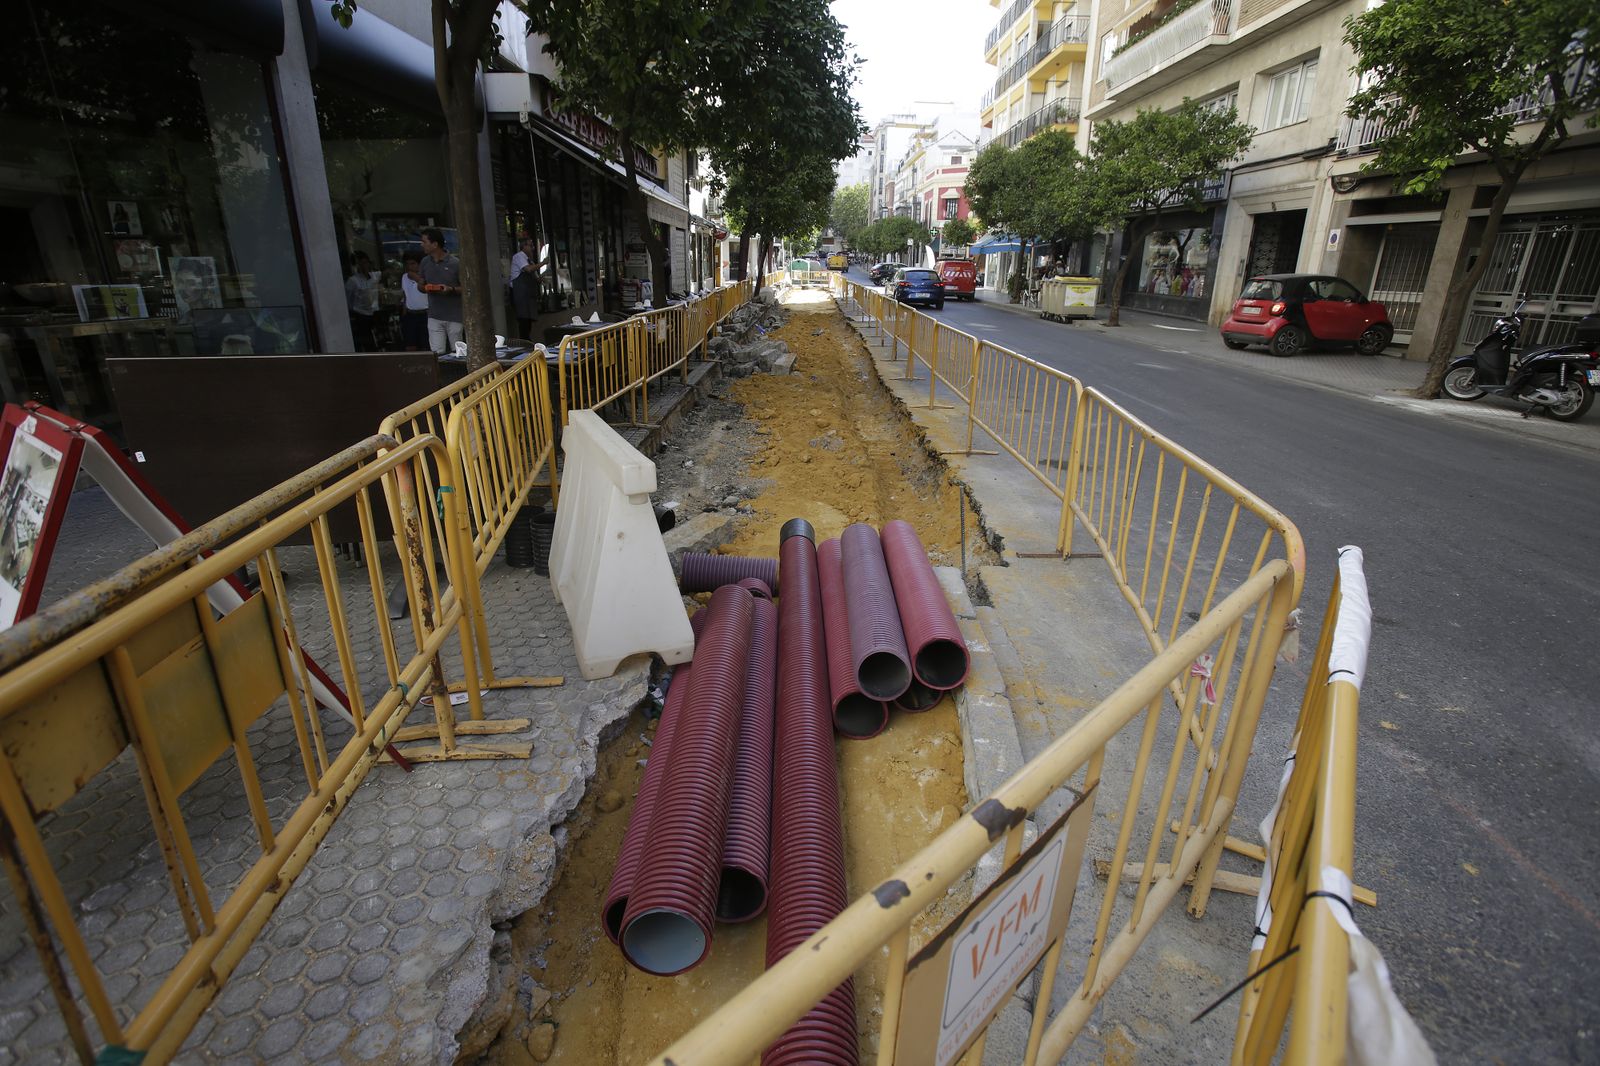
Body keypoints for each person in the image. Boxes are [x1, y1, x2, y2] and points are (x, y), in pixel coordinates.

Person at [418, 227, 464, 355]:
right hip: (434, 315)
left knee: (458, 351)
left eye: (424, 242)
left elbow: (466, 288)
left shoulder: (455, 263)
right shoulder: (425, 262)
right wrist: (424, 287)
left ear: (435, 244)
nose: (422, 245)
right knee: (436, 353)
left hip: (455, 315)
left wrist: (451, 289)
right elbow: (420, 285)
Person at [345, 251, 379, 351]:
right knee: (366, 339)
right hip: (361, 314)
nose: (364, 266)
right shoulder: (353, 281)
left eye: (365, 262)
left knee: (377, 336)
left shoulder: (375, 276)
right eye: (361, 263)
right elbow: (348, 299)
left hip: (374, 312)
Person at [399, 252, 429, 350]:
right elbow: (405, 294)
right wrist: (404, 312)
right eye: (407, 264)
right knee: (410, 344)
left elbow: (426, 287)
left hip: (425, 314)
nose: (409, 267)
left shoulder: (426, 276)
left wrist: (416, 277)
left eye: (413, 264)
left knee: (426, 343)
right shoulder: (404, 277)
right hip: (410, 314)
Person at [509, 236, 537, 338]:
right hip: (520, 294)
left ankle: (527, 340)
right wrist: (542, 263)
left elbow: (534, 276)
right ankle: (524, 342)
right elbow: (528, 269)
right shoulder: (519, 257)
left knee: (528, 321)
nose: (532, 248)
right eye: (530, 246)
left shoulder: (529, 260)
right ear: (523, 246)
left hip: (528, 295)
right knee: (523, 321)